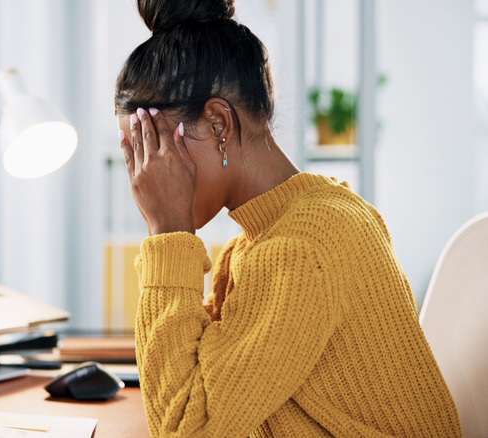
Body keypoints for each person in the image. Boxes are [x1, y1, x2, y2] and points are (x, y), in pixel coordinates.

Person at [114, 0, 461, 436]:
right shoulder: (286, 228)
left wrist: (166, 233)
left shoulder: (300, 249)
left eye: (153, 148)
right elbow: (200, 378)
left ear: (219, 123)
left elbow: (186, 428)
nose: (144, 177)